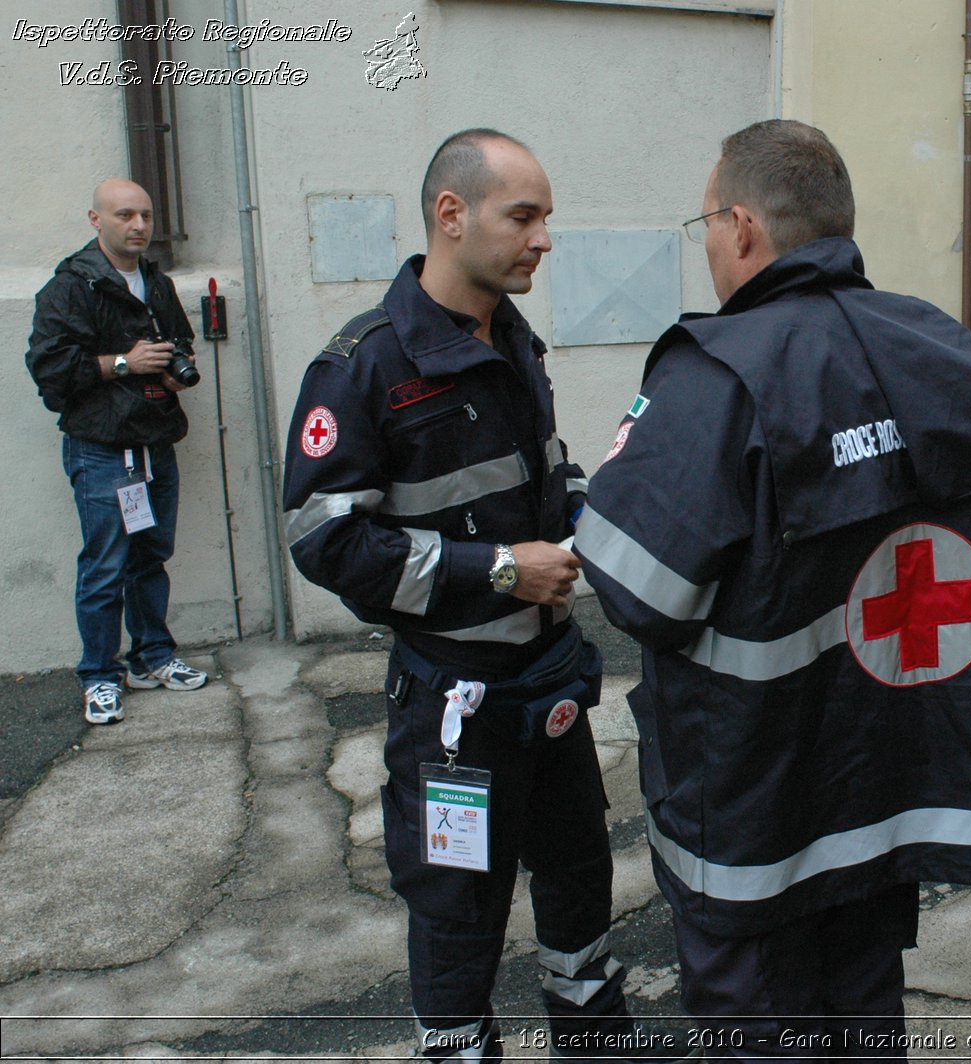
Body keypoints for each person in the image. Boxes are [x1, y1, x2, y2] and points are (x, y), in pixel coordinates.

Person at [575, 119, 971, 1059]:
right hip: (890, 795)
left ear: (744, 226)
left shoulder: (714, 375)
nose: (707, 242)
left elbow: (640, 593)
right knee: (865, 1014)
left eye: (706, 221)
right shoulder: (947, 352)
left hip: (756, 807)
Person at [281, 129, 686, 1064]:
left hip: (547, 683)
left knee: (580, 875)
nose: (545, 239)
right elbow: (323, 536)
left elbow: (546, 475)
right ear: (450, 217)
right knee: (458, 905)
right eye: (525, 216)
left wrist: (604, 509)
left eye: (547, 217)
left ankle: (593, 1037)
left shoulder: (509, 333)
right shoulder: (362, 366)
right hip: (453, 708)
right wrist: (500, 571)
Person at [26, 178, 209, 726]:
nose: (139, 226)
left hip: (154, 442)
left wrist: (174, 374)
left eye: (146, 216)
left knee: (150, 557)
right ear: (95, 219)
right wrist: (126, 362)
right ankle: (98, 676)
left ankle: (151, 657)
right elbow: (51, 372)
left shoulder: (155, 282)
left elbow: (180, 345)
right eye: (125, 215)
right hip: (101, 450)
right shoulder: (70, 288)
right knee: (104, 566)